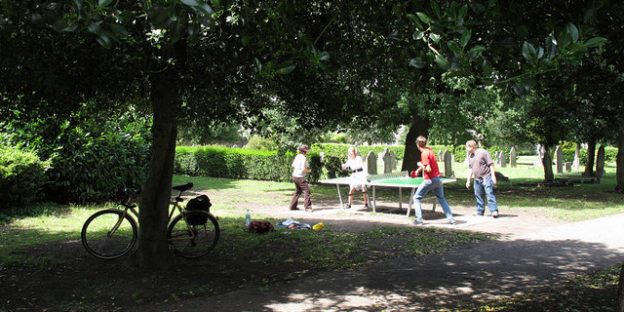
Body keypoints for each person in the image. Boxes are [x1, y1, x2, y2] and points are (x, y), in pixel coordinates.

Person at [411, 136, 456, 225]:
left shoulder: (424, 153)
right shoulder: (429, 151)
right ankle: (451, 219)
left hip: (429, 180)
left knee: (416, 198)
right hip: (438, 179)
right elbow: (428, 163)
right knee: (441, 199)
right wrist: (417, 170)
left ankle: (419, 220)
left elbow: (428, 169)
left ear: (417, 144)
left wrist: (420, 164)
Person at [465, 140, 499, 218]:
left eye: (467, 147)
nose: (466, 149)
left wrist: (493, 176)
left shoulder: (483, 152)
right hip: (477, 179)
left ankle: (494, 211)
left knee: (489, 193)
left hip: (486, 177)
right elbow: (470, 168)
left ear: (472, 146)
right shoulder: (470, 156)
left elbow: (491, 164)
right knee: (478, 195)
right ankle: (480, 211)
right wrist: (468, 180)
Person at [289, 144, 312, 212]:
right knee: (307, 191)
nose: (308, 151)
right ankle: (307, 207)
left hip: (294, 176)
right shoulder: (303, 158)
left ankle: (292, 206)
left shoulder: (297, 156)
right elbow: (303, 169)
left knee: (298, 191)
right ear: (304, 151)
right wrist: (309, 170)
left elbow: (293, 165)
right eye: (307, 150)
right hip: (300, 177)